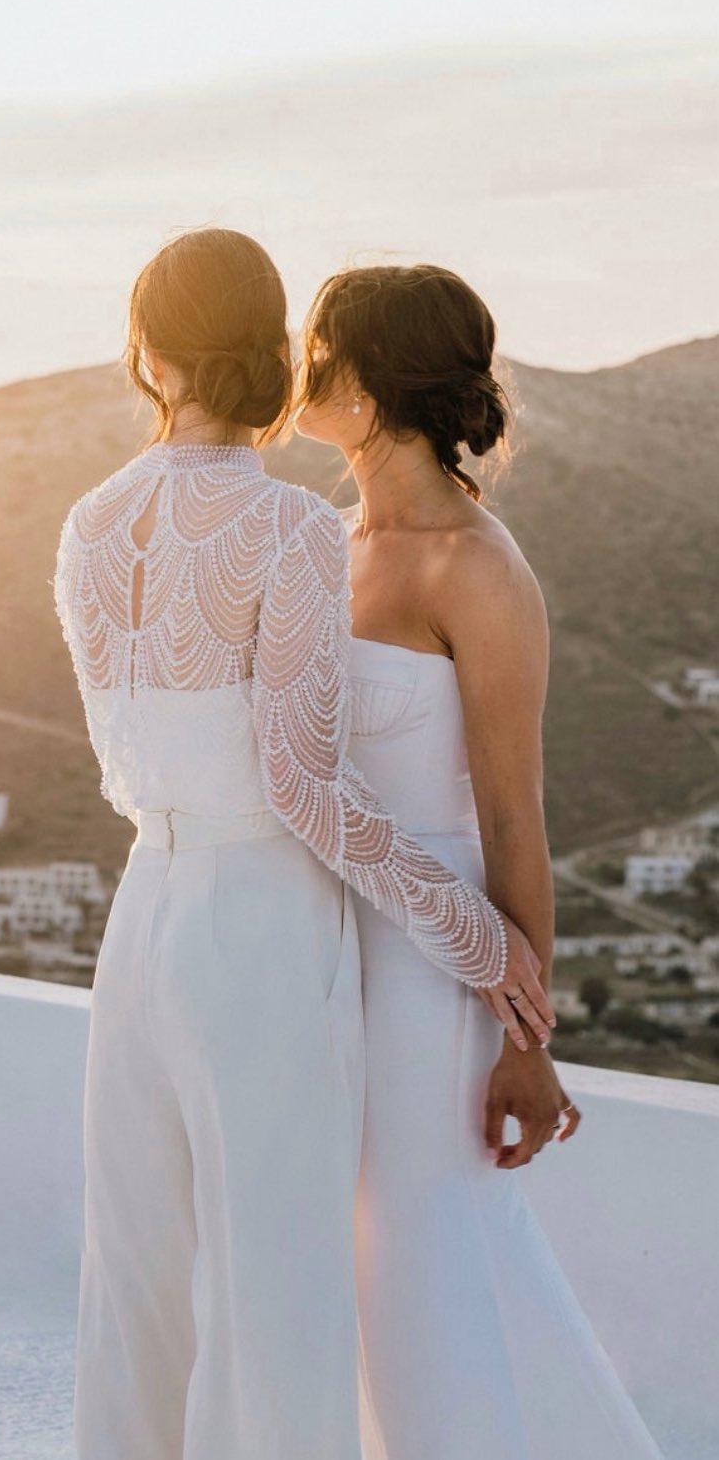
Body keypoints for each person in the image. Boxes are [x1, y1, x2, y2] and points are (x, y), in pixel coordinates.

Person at [52, 228, 553, 1460]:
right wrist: (477, 936)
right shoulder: (285, 529)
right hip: (261, 922)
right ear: (268, 354)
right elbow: (300, 784)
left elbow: (123, 758)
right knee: (277, 1277)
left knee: (134, 1271)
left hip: (143, 909)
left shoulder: (86, 519)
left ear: (145, 352)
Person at [295, 260, 665, 1460]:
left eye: (318, 348)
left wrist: (525, 1042)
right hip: (317, 944)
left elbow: (513, 819)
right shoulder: (325, 540)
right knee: (353, 1258)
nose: (299, 371)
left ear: (368, 378)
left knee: (412, 1254)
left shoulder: (478, 567)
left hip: (431, 966)